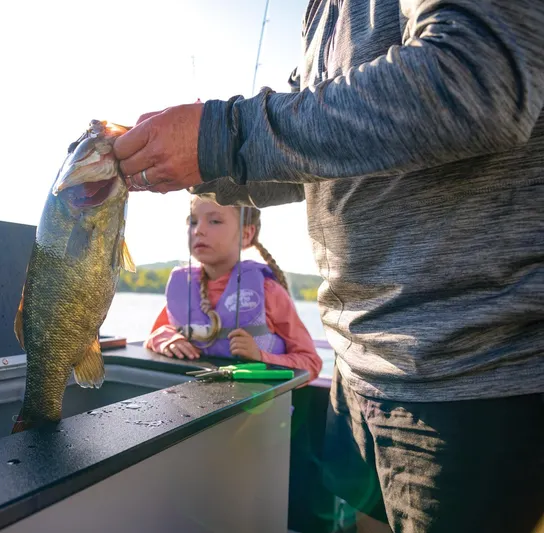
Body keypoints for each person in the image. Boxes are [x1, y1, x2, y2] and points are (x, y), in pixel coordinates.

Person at [112, 2, 544, 533]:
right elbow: (304, 151)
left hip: (466, 374)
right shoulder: (318, 13)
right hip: (355, 363)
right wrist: (198, 162)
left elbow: (477, 78)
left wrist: (217, 136)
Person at [144, 196, 322, 383]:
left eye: (215, 221)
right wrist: (166, 340)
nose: (199, 230)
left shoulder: (269, 290)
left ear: (246, 235)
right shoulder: (185, 288)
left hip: (256, 409)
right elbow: (156, 335)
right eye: (193, 221)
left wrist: (261, 357)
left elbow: (311, 363)